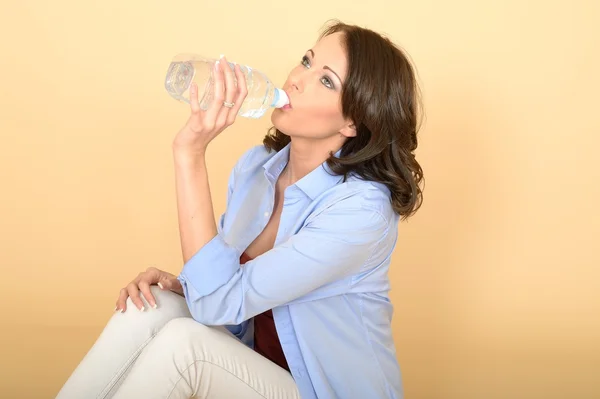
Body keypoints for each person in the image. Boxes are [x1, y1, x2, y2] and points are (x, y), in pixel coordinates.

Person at [56, 20, 424, 399]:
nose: (297, 78)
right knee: (149, 307)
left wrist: (190, 153)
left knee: (186, 349)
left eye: (326, 80)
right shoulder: (255, 168)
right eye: (306, 61)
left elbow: (217, 302)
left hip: (321, 392)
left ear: (353, 121)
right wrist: (185, 289)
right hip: (257, 370)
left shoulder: (361, 211)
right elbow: (226, 308)